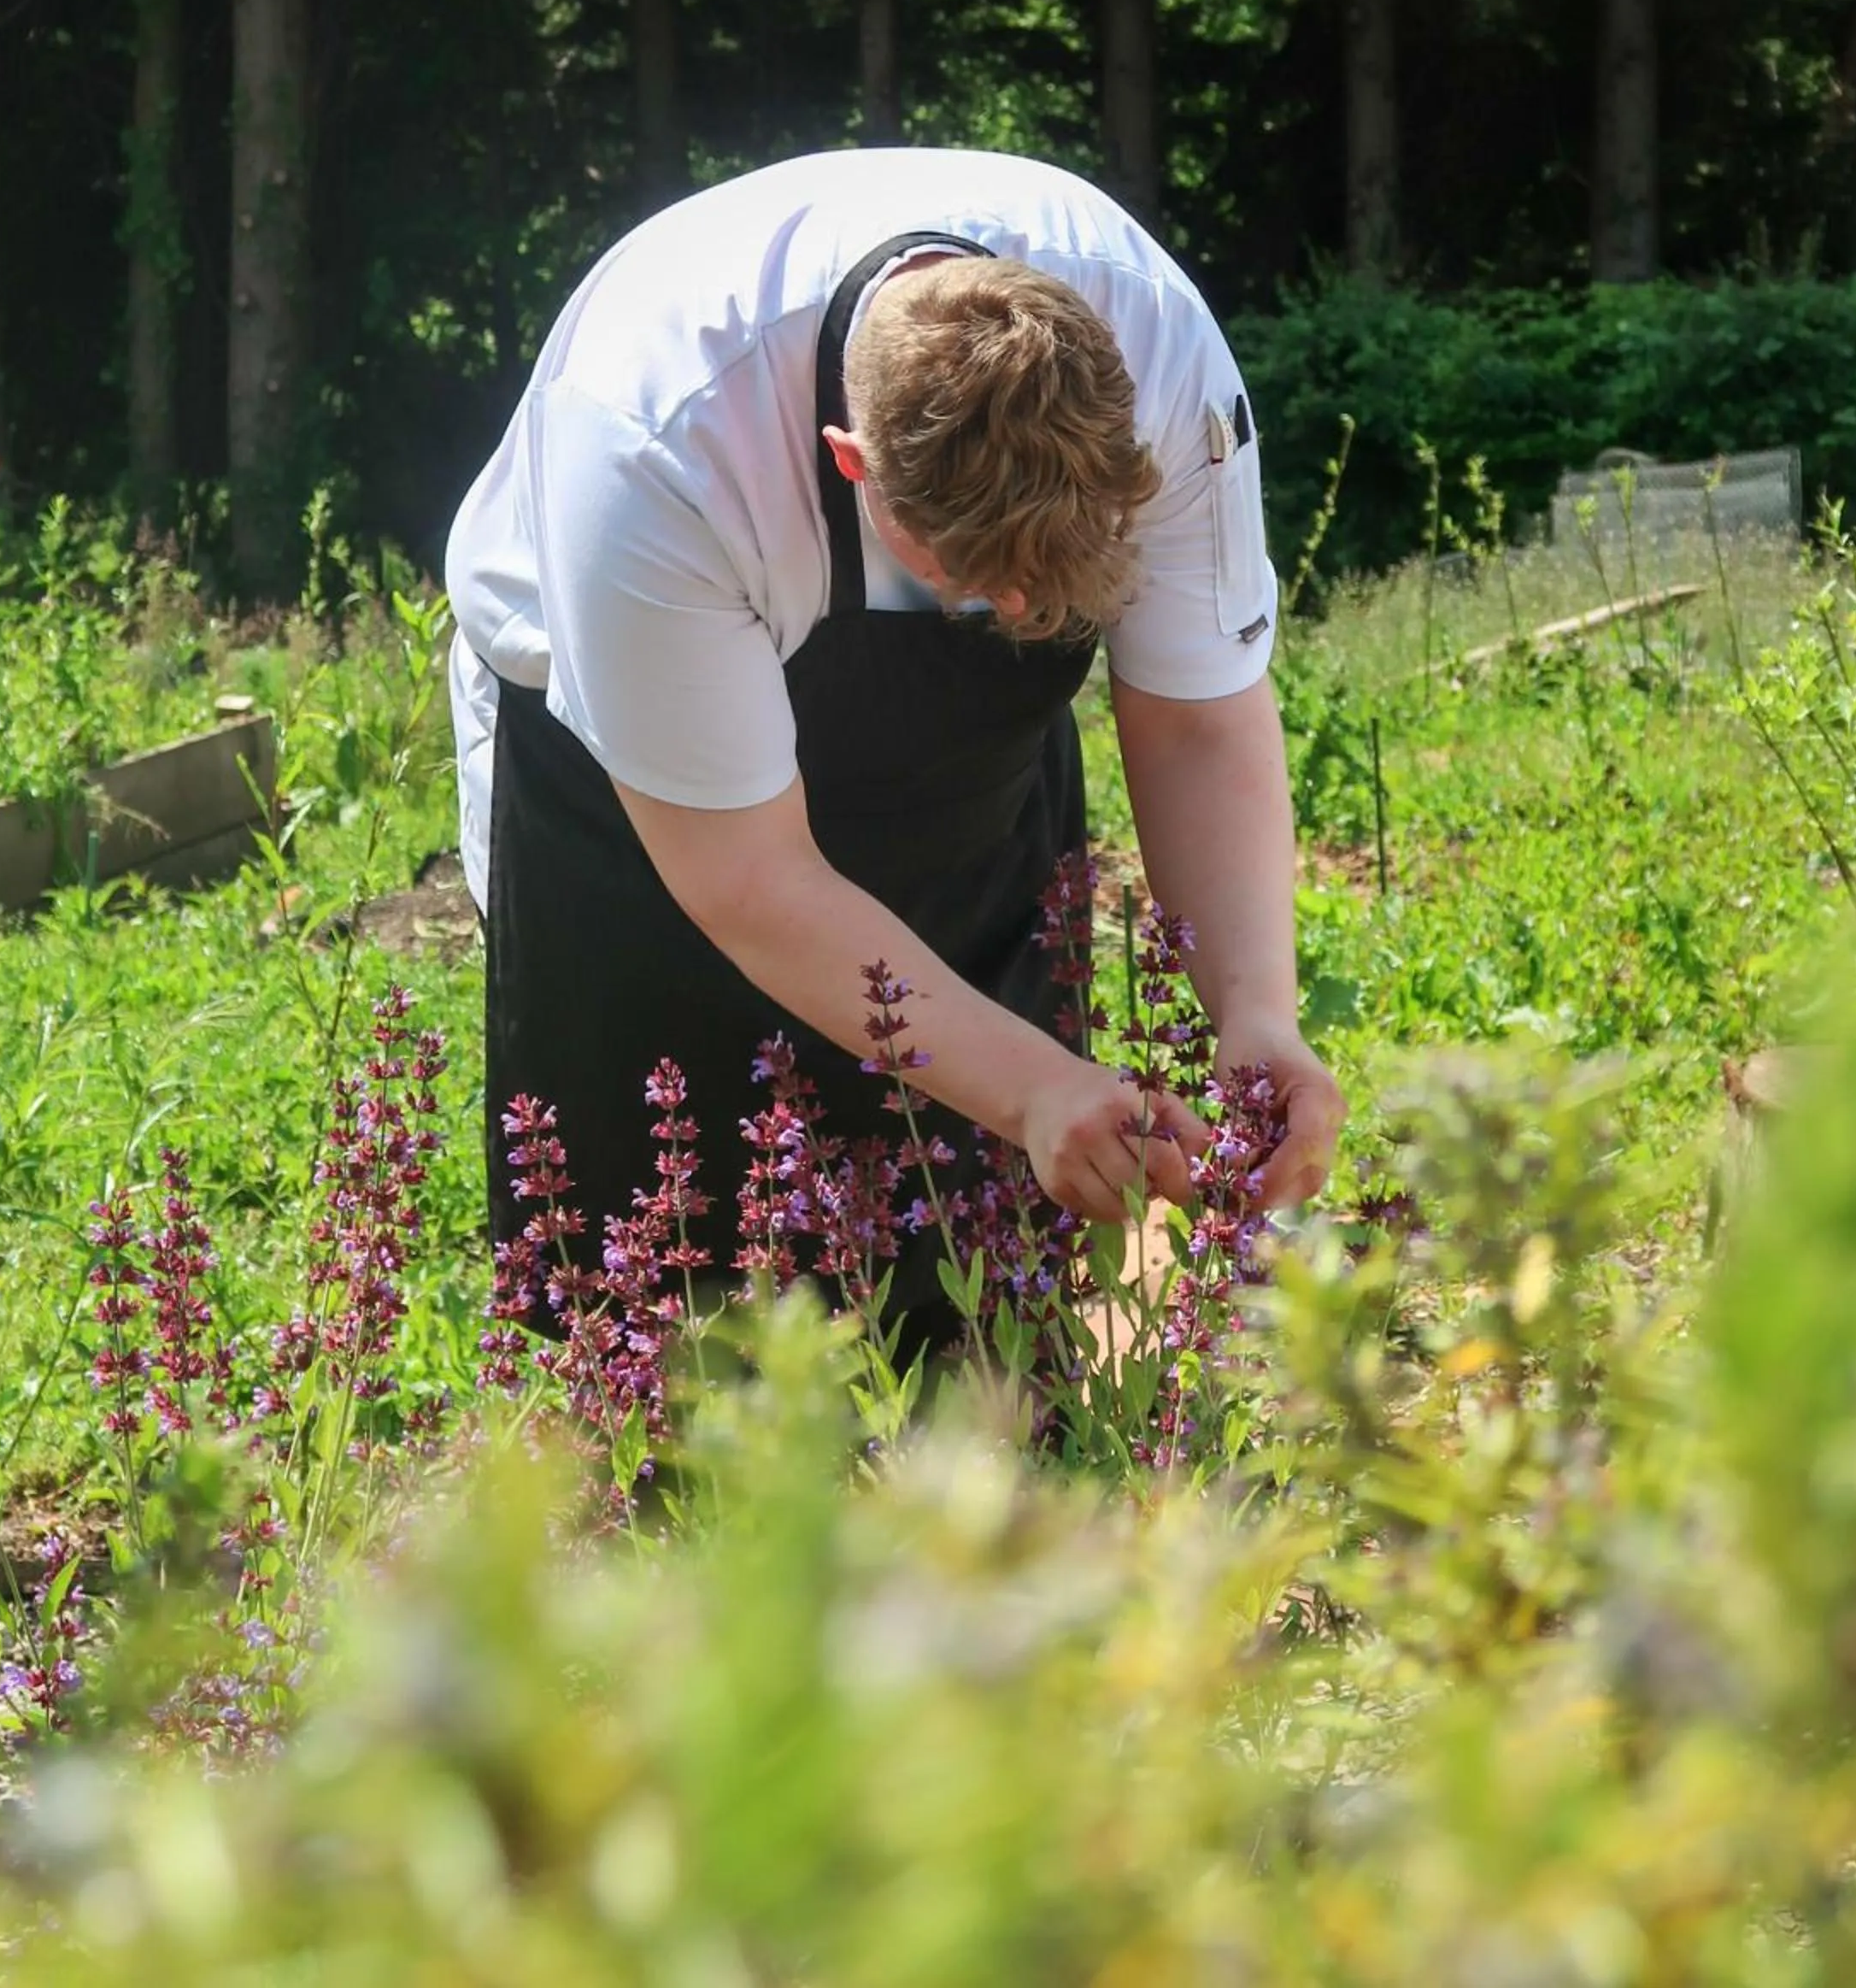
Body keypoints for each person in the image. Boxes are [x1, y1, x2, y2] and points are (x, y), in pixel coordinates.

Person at [445, 147, 1346, 1316]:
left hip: (966, 810)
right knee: (674, 1317)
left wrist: (1257, 1012)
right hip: (640, 833)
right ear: (853, 468)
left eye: (1062, 585)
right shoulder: (655, 441)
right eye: (982, 586)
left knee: (979, 1326)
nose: (1024, 616)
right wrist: (1033, 1090)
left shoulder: (1168, 360)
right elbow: (751, 880)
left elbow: (1196, 722)